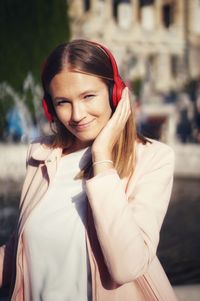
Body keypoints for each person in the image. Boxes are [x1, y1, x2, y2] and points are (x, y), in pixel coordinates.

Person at [0, 39, 179, 301]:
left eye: (88, 96)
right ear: (49, 107)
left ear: (116, 92)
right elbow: (22, 248)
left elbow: (127, 266)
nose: (77, 114)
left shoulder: (154, 159)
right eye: (63, 102)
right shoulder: (41, 154)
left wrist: (102, 157)